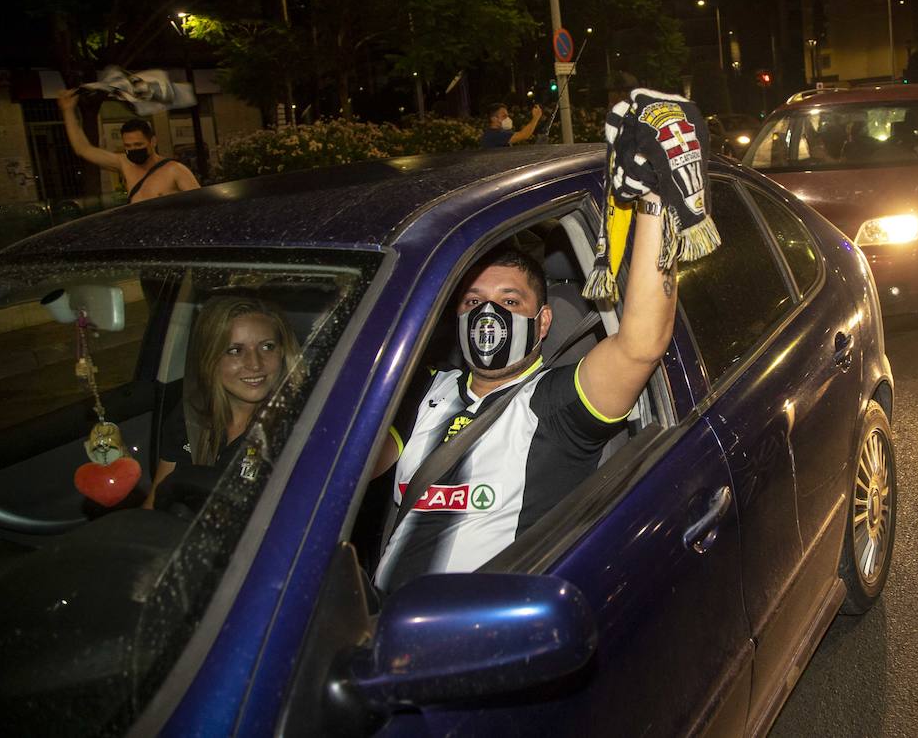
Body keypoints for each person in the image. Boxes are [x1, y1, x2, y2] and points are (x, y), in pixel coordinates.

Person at [373, 191, 676, 588]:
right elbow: (349, 465)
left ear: (543, 321)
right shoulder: (423, 389)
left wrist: (657, 203)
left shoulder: (554, 401)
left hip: (481, 627)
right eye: (473, 301)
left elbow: (640, 346)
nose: (488, 316)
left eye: (510, 301)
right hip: (377, 619)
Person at [145, 295, 303, 507]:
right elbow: (154, 505)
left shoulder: (298, 425)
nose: (255, 364)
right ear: (209, 357)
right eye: (235, 351)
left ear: (283, 351)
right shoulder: (193, 415)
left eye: (267, 347)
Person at [57, 89, 201, 203]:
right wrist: (68, 111)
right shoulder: (124, 164)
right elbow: (83, 149)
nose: (133, 149)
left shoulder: (175, 170)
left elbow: (201, 206)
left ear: (153, 142)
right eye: (128, 145)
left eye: (138, 144)